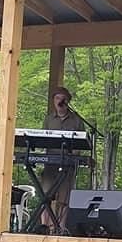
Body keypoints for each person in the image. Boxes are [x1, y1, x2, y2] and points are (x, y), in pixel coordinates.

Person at [41, 86, 85, 232]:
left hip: (67, 164)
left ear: (67, 101)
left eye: (63, 98)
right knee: (46, 195)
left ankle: (60, 228)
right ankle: (45, 227)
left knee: (64, 198)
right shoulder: (49, 120)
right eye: (57, 98)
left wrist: (73, 157)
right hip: (50, 164)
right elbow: (42, 139)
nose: (60, 101)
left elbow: (82, 143)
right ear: (54, 101)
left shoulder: (76, 121)